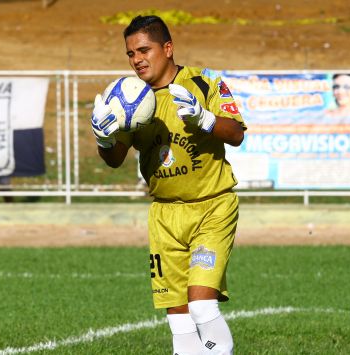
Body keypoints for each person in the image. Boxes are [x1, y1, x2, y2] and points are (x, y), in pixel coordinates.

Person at [90, 15, 246, 355]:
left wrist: (203, 119)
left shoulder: (204, 83)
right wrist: (104, 138)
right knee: (179, 321)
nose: (137, 59)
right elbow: (115, 159)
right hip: (164, 217)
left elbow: (236, 133)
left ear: (168, 48)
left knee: (202, 307)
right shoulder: (133, 99)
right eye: (130, 54)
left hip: (212, 208)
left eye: (144, 49)